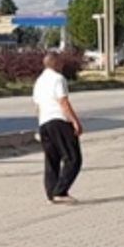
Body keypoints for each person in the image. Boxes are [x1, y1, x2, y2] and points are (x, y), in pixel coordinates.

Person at [33, 52, 84, 204]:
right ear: (55, 63)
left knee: (51, 160)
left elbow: (37, 106)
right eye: (60, 62)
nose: (62, 64)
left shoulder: (39, 81)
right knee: (73, 158)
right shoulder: (58, 79)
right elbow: (63, 102)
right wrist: (75, 121)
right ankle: (60, 191)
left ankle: (51, 193)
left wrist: (39, 126)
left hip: (44, 123)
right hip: (59, 121)